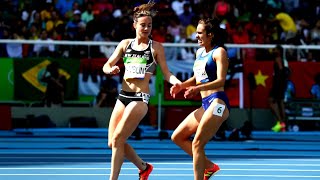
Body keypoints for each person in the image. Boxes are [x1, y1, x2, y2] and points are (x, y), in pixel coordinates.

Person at [102, 1, 181, 180]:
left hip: (139, 98)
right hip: (123, 97)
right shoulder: (125, 44)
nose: (146, 28)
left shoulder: (156, 48)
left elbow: (167, 74)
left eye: (149, 25)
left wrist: (178, 83)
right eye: (143, 25)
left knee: (117, 140)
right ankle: (143, 167)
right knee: (112, 142)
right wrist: (110, 70)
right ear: (134, 25)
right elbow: (107, 65)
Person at [170, 18, 230, 180]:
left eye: (199, 33)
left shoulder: (219, 52)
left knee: (197, 143)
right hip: (205, 104)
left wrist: (197, 89)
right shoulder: (199, 52)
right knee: (177, 137)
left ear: (210, 35)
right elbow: (198, 77)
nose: (195, 36)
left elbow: (220, 81)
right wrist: (181, 86)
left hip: (218, 103)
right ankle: (209, 166)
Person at [269, 45, 289, 132]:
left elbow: (280, 71)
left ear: (279, 51)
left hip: (278, 85)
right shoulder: (283, 60)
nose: (273, 51)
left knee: (271, 101)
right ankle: (283, 124)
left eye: (275, 50)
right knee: (280, 103)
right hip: (282, 84)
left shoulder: (278, 59)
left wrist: (277, 85)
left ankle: (281, 122)